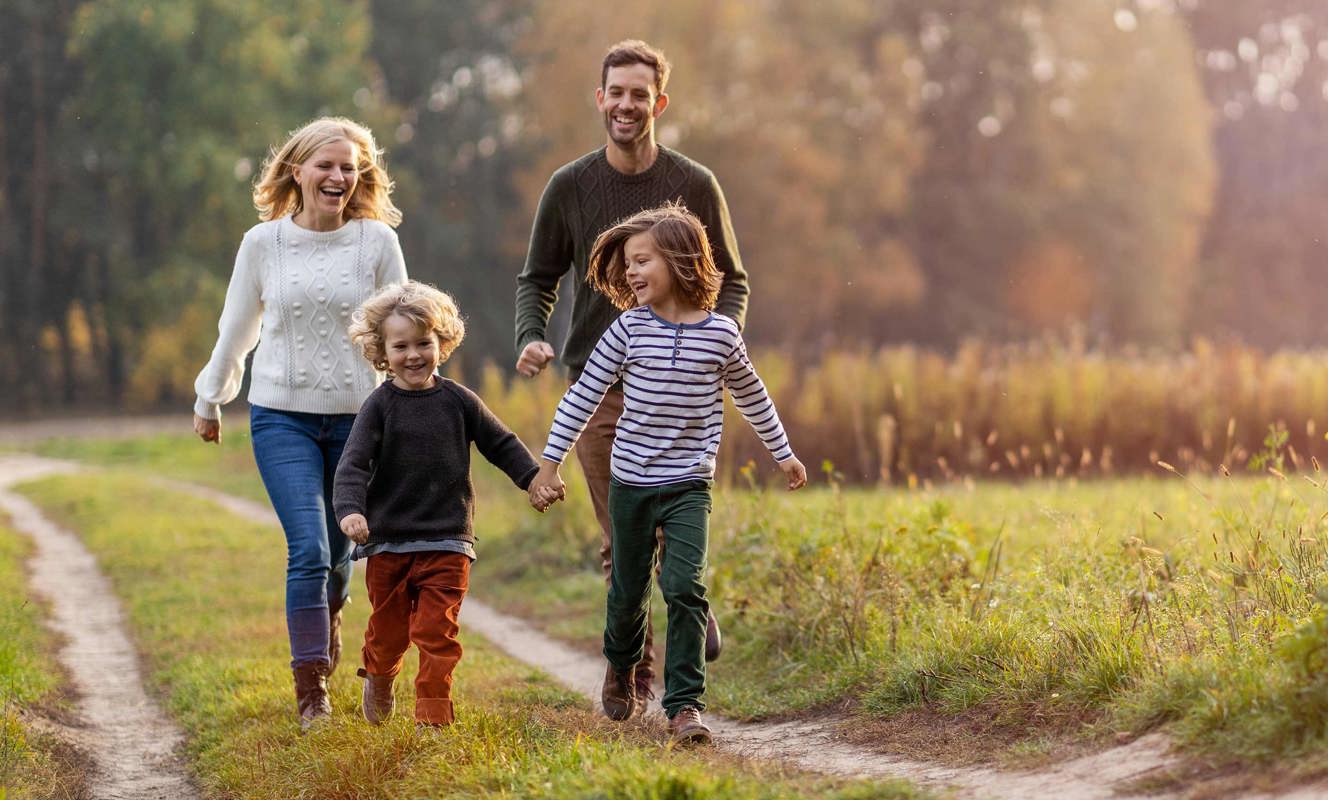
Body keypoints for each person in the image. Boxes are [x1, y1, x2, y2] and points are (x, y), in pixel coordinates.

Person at [514, 39, 748, 703]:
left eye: (638, 94)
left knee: (675, 525)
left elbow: (731, 281)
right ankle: (634, 672)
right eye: (615, 92)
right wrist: (532, 336)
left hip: (681, 387)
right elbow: (537, 278)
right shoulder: (570, 186)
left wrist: (716, 343)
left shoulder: (695, 184)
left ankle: (686, 601)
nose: (625, 104)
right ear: (600, 98)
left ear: (659, 103)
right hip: (599, 388)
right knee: (624, 536)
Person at [528, 204, 806, 745]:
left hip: (688, 485)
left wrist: (784, 453)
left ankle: (685, 708)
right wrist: (549, 461)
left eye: (641, 261)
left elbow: (752, 395)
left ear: (679, 261)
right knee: (628, 594)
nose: (630, 273)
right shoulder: (627, 330)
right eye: (627, 264)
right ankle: (624, 667)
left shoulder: (722, 335)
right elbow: (582, 396)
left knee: (685, 587)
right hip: (631, 483)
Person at [192, 117, 408, 732]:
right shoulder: (263, 244)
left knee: (341, 557)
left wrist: (415, 406)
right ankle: (311, 690)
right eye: (327, 165)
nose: (339, 177)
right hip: (280, 415)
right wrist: (212, 399)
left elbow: (404, 326)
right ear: (297, 170)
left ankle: (330, 614)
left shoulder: (376, 243)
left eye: (350, 168)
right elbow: (238, 328)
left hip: (359, 424)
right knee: (309, 548)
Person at [333, 281, 548, 729]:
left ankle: (432, 717)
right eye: (401, 346)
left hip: (449, 539)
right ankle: (379, 672)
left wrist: (533, 479)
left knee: (437, 632)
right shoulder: (379, 406)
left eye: (423, 343)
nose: (413, 355)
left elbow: (501, 443)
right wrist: (350, 510)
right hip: (389, 542)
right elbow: (353, 464)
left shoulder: (459, 401)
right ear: (381, 352)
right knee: (389, 633)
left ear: (442, 343)